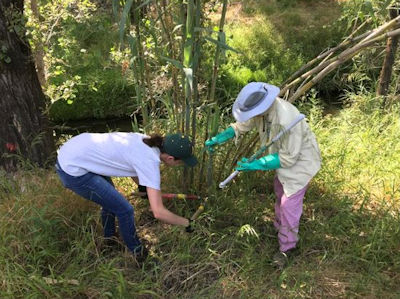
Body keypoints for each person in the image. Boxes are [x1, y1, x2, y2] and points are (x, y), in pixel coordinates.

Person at [205, 82, 321, 268]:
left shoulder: (287, 118)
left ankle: (287, 247)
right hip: (282, 163)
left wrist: (257, 164)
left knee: (288, 204)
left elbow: (289, 157)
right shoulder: (261, 110)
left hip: (300, 164)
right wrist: (220, 138)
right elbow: (242, 125)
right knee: (279, 191)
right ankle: (279, 226)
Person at [56, 132, 197, 262]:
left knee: (111, 202)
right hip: (73, 170)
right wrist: (187, 223)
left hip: (76, 150)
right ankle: (139, 254)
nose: (180, 165)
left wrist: (144, 188)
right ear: (170, 158)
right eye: (181, 162)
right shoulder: (150, 161)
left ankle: (110, 240)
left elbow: (131, 164)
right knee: (125, 210)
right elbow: (158, 212)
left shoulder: (146, 141)